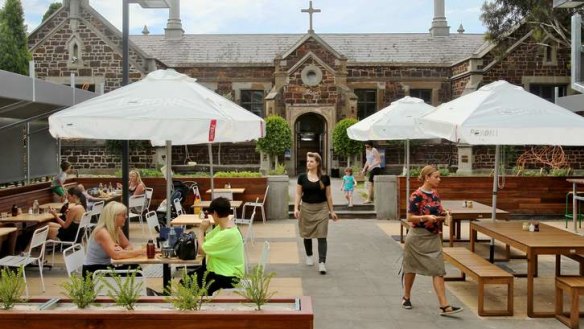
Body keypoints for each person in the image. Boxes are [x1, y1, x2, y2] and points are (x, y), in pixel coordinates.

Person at [401, 165, 463, 316]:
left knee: (438, 270)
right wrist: (425, 217)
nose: (439, 179)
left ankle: (444, 305)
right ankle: (406, 296)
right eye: (436, 177)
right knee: (411, 268)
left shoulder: (435, 194)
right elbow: (409, 217)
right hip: (417, 237)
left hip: (433, 237)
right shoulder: (416, 195)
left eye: (439, 176)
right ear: (427, 177)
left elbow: (438, 209)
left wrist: (445, 212)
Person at [294, 152, 338, 275]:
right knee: (306, 234)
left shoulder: (325, 178)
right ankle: (309, 255)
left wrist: (332, 211)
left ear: (317, 163)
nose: (308, 163)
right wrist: (296, 208)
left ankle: (322, 263)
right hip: (306, 208)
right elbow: (298, 194)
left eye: (311, 161)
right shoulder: (302, 177)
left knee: (322, 235)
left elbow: (328, 195)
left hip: (322, 209)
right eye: (308, 161)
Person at [193, 197, 245, 296]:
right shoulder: (224, 228)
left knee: (188, 283)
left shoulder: (226, 234)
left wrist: (201, 230)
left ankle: (200, 308)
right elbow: (205, 241)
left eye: (211, 215)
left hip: (227, 276)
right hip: (220, 270)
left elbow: (201, 250)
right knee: (190, 277)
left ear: (215, 213)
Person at [82, 201, 145, 278]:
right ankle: (137, 290)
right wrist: (141, 251)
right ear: (113, 216)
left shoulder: (116, 229)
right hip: (94, 272)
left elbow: (127, 245)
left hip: (104, 268)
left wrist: (123, 252)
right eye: (123, 215)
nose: (126, 217)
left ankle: (137, 290)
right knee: (135, 270)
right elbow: (116, 255)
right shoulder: (102, 232)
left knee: (134, 267)